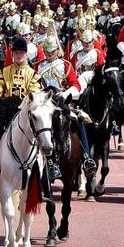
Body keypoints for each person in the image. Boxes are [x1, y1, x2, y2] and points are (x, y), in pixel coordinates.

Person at [37, 34, 96, 180]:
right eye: (47, 51)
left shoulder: (65, 65)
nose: (49, 54)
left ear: (57, 50)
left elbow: (75, 85)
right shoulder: (38, 65)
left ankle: (86, 156)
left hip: (61, 102)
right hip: (44, 103)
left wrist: (65, 94)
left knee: (77, 119)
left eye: (52, 51)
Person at [0, 37, 42, 179]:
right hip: (7, 107)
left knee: (42, 129)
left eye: (21, 52)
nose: (18, 55)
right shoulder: (5, 72)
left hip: (25, 108)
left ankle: (50, 166)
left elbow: (34, 92)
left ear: (26, 54)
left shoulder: (33, 74)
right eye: (16, 52)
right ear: (12, 54)